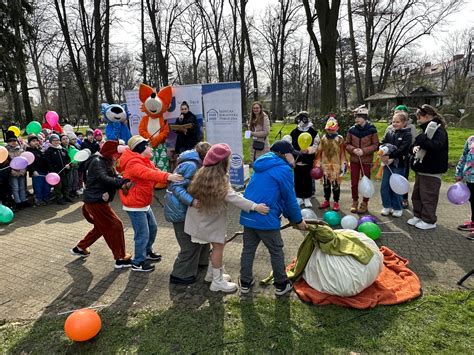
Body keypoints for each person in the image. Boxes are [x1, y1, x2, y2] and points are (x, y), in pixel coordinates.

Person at [185, 143, 269, 293]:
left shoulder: (204, 172)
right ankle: (217, 282)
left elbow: (232, 194)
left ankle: (212, 274)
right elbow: (232, 197)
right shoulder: (219, 179)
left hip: (202, 220)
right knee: (218, 246)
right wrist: (255, 207)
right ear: (223, 161)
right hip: (209, 222)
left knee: (218, 243)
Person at [239, 140, 307, 296]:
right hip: (266, 217)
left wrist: (291, 217)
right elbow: (289, 198)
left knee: (248, 250)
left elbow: (278, 196)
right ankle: (281, 285)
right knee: (276, 250)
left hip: (249, 214)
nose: (294, 158)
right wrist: (298, 220)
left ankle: (245, 283)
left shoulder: (262, 164)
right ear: (283, 154)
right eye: (292, 154)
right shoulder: (283, 169)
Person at [119, 135, 183, 272]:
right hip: (135, 205)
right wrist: (168, 177)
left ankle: (147, 252)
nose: (151, 148)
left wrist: (169, 176)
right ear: (142, 148)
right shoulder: (134, 163)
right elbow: (148, 174)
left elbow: (155, 172)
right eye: (148, 146)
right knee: (142, 233)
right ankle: (138, 262)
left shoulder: (145, 160)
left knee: (152, 228)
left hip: (143, 203)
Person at [71, 141, 134, 268]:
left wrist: (122, 180)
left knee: (101, 227)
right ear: (110, 152)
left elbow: (113, 175)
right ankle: (120, 258)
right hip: (96, 201)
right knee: (116, 225)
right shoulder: (98, 162)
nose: (118, 156)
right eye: (116, 154)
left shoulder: (106, 160)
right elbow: (104, 178)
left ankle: (80, 248)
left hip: (97, 200)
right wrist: (122, 183)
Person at [165, 142, 212, 285]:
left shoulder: (194, 163)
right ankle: (180, 275)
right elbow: (176, 187)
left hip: (185, 210)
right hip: (179, 211)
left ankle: (199, 264)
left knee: (200, 239)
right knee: (189, 245)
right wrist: (192, 201)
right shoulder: (191, 165)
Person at [407, 104, 448, 230]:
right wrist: (414, 147)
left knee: (428, 196)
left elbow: (436, 146)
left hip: (431, 169)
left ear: (427, 116)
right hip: (421, 169)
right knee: (417, 195)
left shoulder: (438, 130)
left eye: (419, 117)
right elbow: (418, 143)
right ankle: (418, 215)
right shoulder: (425, 129)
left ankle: (429, 220)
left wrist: (422, 141)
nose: (418, 120)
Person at [345, 105, 379, 214]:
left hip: (366, 160)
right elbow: (346, 144)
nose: (356, 119)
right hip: (354, 160)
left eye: (358, 117)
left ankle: (365, 203)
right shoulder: (351, 130)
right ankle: (355, 201)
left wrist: (364, 151)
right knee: (354, 182)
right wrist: (353, 149)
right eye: (356, 117)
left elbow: (375, 145)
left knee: (366, 182)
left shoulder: (372, 130)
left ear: (364, 117)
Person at [379, 112, 412, 217]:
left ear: (404, 123)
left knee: (396, 186)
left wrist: (391, 156)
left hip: (399, 165)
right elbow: (382, 143)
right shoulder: (389, 132)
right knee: (385, 186)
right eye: (393, 121)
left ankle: (397, 207)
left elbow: (403, 149)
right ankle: (386, 206)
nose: (395, 124)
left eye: (397, 122)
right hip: (387, 164)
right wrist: (382, 151)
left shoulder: (407, 134)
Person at [314, 117, 346, 211]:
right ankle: (326, 200)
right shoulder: (323, 138)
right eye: (328, 129)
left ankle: (336, 202)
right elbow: (319, 151)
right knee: (326, 184)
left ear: (337, 128)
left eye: (332, 130)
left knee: (336, 185)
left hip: (336, 166)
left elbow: (342, 153)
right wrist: (317, 163)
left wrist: (343, 165)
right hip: (325, 166)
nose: (330, 131)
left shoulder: (339, 139)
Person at [289, 111, 320, 208]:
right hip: (297, 159)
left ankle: (307, 197)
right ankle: (298, 197)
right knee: (297, 178)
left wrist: (309, 150)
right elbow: (290, 146)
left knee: (307, 178)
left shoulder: (313, 132)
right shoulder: (294, 132)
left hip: (308, 159)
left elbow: (316, 145)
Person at [44, 134, 72, 205]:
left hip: (64, 172)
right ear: (51, 142)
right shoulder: (49, 151)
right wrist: (53, 171)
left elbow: (68, 159)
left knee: (66, 184)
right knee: (58, 187)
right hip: (56, 173)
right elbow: (48, 162)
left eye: (57, 140)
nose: (56, 142)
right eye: (54, 140)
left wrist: (69, 165)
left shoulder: (63, 150)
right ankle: (59, 198)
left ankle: (66, 196)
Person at [455, 135, 474, 240]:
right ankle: (473, 222)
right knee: (472, 200)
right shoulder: (471, 139)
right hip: (470, 177)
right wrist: (459, 172)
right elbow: (464, 156)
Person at [5, 130, 29, 209]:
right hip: (12, 173)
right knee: (15, 188)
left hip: (22, 171)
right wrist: (12, 171)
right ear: (8, 142)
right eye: (10, 141)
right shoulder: (5, 151)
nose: (13, 142)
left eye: (14, 140)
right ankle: (18, 202)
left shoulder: (20, 149)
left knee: (22, 187)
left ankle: (23, 201)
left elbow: (24, 160)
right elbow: (6, 163)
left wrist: (23, 170)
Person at [26, 135, 50, 206]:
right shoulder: (28, 152)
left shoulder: (40, 150)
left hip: (44, 171)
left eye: (36, 141)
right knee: (38, 187)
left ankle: (45, 198)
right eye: (33, 141)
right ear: (29, 143)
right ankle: (38, 200)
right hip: (36, 172)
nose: (36, 142)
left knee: (46, 186)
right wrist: (33, 171)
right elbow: (29, 163)